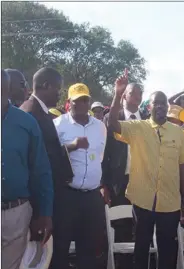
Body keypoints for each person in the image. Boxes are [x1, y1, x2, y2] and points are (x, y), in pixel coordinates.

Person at [107, 69, 184, 269]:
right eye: (157, 102)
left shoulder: (178, 133)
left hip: (170, 203)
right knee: (142, 247)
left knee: (167, 249)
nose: (161, 106)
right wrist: (118, 94)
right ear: (149, 106)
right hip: (143, 200)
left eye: (164, 102)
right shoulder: (138, 127)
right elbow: (112, 124)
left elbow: (183, 165)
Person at [1, 69, 54, 269]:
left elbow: (41, 170)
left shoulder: (26, 123)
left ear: (6, 90)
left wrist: (45, 213)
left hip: (17, 213)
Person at [52, 83, 107, 269]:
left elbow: (101, 158)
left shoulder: (100, 126)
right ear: (69, 103)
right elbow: (50, 156)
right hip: (67, 196)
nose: (83, 104)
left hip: (92, 197)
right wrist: (72, 145)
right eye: (78, 101)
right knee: (61, 246)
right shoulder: (58, 125)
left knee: (89, 249)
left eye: (86, 100)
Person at [102, 82, 147, 253]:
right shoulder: (112, 118)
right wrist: (103, 184)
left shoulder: (147, 119)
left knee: (142, 227)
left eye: (140, 93)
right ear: (124, 96)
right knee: (121, 227)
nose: (137, 96)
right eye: (133, 93)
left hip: (143, 182)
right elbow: (104, 153)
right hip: (119, 183)